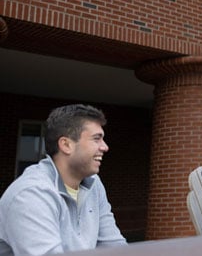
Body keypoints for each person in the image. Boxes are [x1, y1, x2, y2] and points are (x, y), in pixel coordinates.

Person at [0, 104, 127, 256]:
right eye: (96, 139)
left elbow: (115, 247)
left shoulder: (93, 183)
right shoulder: (30, 194)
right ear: (66, 145)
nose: (105, 147)